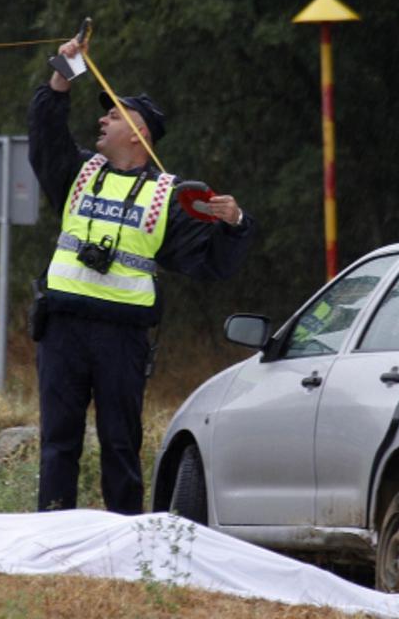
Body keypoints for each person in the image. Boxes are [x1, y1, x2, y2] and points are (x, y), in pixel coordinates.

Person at [28, 34, 254, 515]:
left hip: (122, 340)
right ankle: (50, 539)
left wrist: (234, 225)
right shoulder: (78, 172)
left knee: (120, 446)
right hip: (62, 329)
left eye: (113, 114)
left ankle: (124, 544)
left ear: (139, 133)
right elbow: (45, 133)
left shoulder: (168, 198)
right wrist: (62, 75)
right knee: (58, 443)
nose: (101, 119)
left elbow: (213, 264)